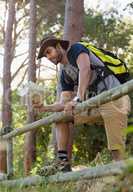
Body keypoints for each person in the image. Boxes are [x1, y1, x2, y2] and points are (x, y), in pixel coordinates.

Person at [35, 36, 131, 176]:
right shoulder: (64, 74)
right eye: (45, 55)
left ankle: (123, 187)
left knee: (117, 153)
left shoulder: (76, 49)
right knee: (61, 117)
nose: (48, 57)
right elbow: (64, 104)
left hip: (115, 99)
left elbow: (85, 69)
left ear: (58, 46)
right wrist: (44, 107)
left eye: (49, 52)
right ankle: (63, 163)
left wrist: (78, 98)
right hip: (95, 106)